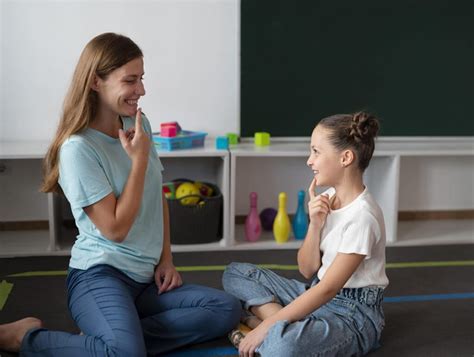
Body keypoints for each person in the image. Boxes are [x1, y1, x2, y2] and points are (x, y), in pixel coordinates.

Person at [0, 32, 240, 356]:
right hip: (100, 277)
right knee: (125, 352)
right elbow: (115, 229)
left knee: (225, 309)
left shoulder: (138, 124)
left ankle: (111, 339)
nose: (141, 90)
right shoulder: (78, 149)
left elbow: (157, 198)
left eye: (141, 79)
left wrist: (166, 259)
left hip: (146, 281)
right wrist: (139, 160)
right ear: (96, 81)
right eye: (130, 80)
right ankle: (24, 338)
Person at [223, 112, 389, 357]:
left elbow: (328, 289)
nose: (309, 161)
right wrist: (315, 224)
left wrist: (267, 326)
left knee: (283, 349)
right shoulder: (329, 198)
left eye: (316, 152)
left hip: (353, 315)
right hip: (316, 292)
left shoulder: (363, 217)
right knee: (235, 273)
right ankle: (284, 325)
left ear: (345, 157)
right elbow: (307, 269)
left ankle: (271, 327)